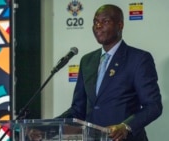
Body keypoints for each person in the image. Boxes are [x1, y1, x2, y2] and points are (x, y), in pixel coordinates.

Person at [57, 4, 163, 141]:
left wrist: (125, 126)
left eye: (105, 21)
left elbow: (153, 106)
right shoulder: (87, 61)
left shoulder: (138, 59)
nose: (98, 26)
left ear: (120, 25)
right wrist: (49, 126)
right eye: (95, 22)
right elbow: (78, 109)